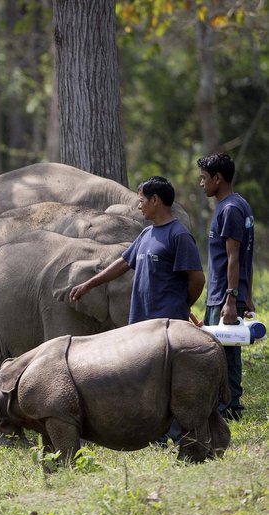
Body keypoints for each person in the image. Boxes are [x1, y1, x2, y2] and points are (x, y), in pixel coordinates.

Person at [69, 176, 205, 324]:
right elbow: (123, 263)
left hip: (166, 324)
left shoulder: (179, 235)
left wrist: (182, 305)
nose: (139, 207)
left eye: (141, 201)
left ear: (154, 200)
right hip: (140, 322)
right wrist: (89, 284)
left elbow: (197, 279)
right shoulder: (146, 233)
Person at [198, 153, 255, 421]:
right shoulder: (237, 204)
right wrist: (248, 295)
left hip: (224, 295)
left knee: (222, 354)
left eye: (204, 178)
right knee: (227, 352)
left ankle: (228, 409)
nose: (202, 184)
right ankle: (228, 406)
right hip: (227, 293)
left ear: (218, 179)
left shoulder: (230, 208)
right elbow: (248, 256)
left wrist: (231, 299)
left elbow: (235, 257)